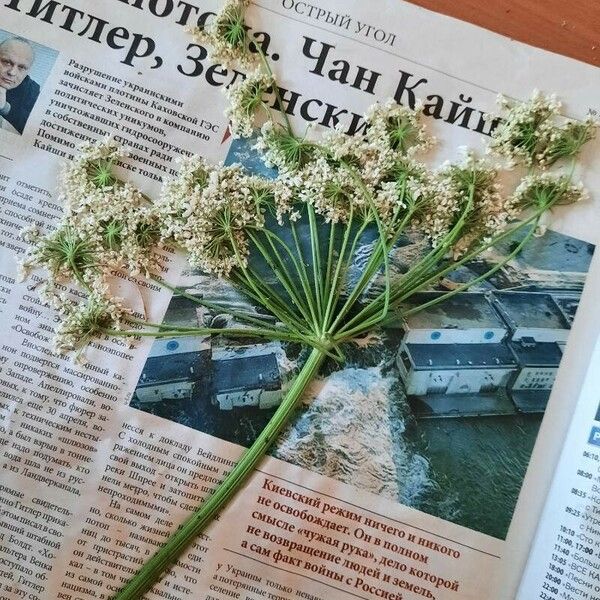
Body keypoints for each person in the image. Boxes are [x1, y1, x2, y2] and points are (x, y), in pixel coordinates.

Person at [0, 37, 39, 134]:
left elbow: (30, 126)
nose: (12, 72)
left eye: (21, 67)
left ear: (28, 71)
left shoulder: (32, 89)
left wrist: (4, 107)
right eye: (7, 62)